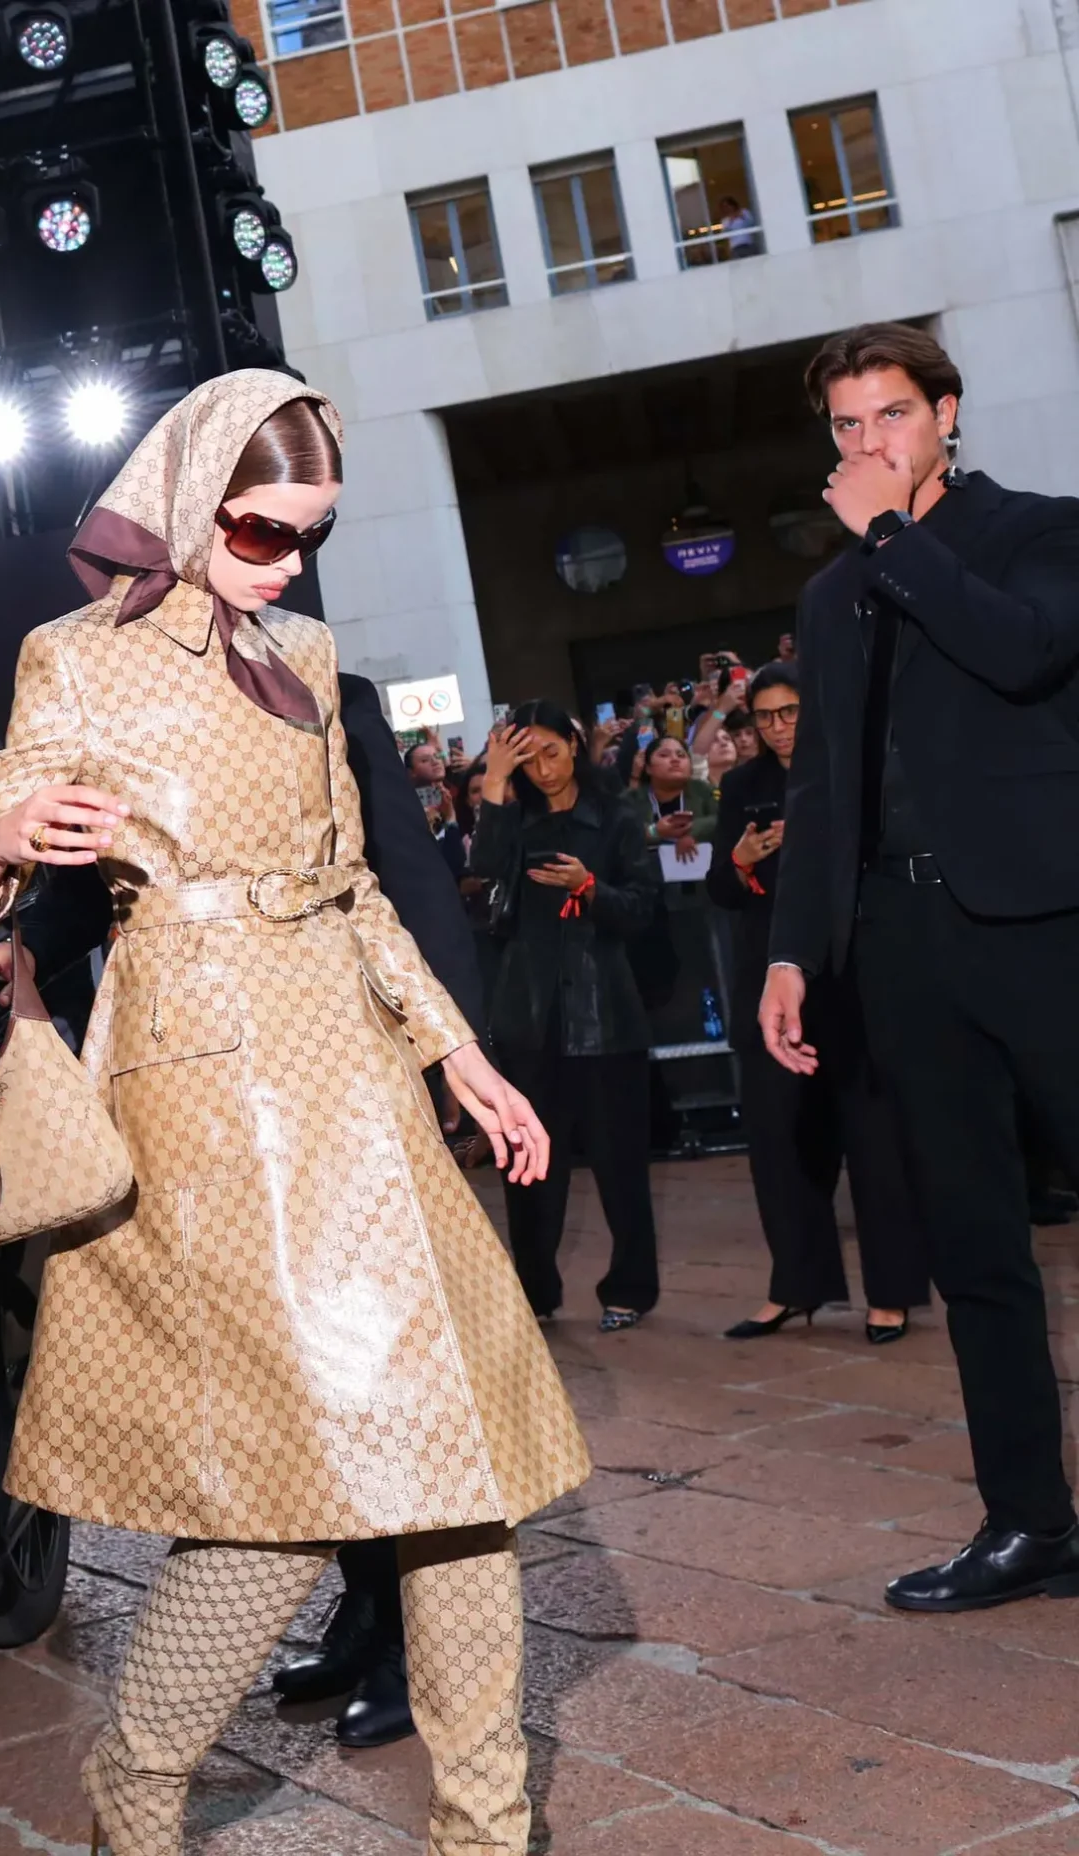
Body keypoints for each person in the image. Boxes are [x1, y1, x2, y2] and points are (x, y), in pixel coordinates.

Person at [0, 371, 586, 1856]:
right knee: (279, 1497)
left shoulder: (304, 644)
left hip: (355, 1071)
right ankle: (141, 1781)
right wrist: (12, 840)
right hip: (204, 1084)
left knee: (460, 1466)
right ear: (183, 497)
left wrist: (458, 1054)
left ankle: (489, 1834)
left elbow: (351, 890)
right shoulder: (74, 659)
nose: (282, 563)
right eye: (255, 530)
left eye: (309, 536)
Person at [762, 322, 1079, 1613]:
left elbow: (1022, 652)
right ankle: (1029, 1524)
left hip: (1047, 922)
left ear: (946, 412)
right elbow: (825, 782)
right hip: (900, 946)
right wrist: (793, 951)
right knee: (973, 1244)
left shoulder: (1039, 531)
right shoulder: (831, 596)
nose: (866, 445)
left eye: (889, 415)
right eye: (844, 426)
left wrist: (895, 536)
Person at [265, 670, 495, 1755]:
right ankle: (366, 1604)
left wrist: (450, 1057)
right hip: (232, 1095)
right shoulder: (144, 687)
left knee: (389, 1359)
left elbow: (405, 872)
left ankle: (421, 1640)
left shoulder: (329, 685)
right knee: (310, 1371)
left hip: (354, 1066)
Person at [708, 663, 928, 1342]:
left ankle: (891, 1295)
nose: (778, 727)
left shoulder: (852, 770)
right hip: (771, 989)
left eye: (790, 711)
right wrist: (743, 860)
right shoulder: (740, 785)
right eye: (766, 716)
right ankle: (794, 1287)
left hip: (851, 981)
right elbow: (719, 889)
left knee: (873, 1142)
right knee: (777, 1144)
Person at [469, 702, 664, 1330]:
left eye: (552, 751)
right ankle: (534, 1294)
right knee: (528, 1168)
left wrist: (588, 887)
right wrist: (495, 784)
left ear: (575, 746)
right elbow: (482, 874)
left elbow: (642, 908)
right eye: (528, 757)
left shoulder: (615, 815)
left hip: (606, 1014)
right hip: (529, 1016)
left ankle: (630, 1289)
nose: (543, 768)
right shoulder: (514, 816)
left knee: (620, 1166)